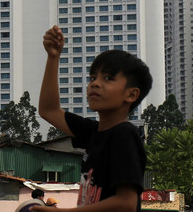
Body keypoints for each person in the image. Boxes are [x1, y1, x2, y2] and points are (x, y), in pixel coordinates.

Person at [38, 26, 152, 212]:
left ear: (131, 94)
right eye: (92, 78)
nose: (95, 83)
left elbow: (126, 203)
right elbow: (49, 110)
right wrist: (53, 58)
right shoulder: (94, 133)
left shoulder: (124, 134)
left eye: (108, 78)